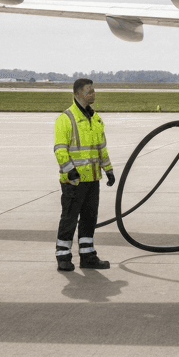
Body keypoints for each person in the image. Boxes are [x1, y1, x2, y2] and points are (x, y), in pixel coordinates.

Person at [53, 78, 115, 271]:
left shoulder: (95, 119)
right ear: (78, 93)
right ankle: (63, 257)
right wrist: (70, 170)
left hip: (92, 179)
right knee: (69, 218)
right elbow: (60, 149)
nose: (93, 94)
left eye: (94, 90)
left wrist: (109, 169)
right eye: (90, 91)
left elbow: (101, 149)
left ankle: (87, 256)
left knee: (89, 219)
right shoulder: (65, 119)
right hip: (74, 181)